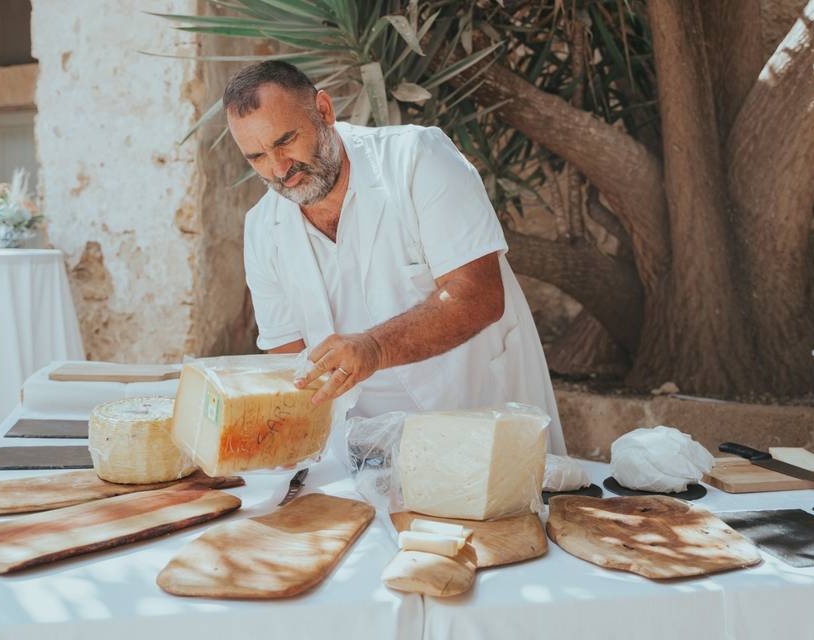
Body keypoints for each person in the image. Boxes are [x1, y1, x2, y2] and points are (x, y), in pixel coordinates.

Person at [227, 60, 565, 453]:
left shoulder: (416, 158)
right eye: (257, 157)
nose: (279, 168)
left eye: (285, 140)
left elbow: (478, 294)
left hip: (484, 430)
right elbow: (288, 365)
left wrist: (375, 348)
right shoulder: (261, 228)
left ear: (324, 110)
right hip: (363, 456)